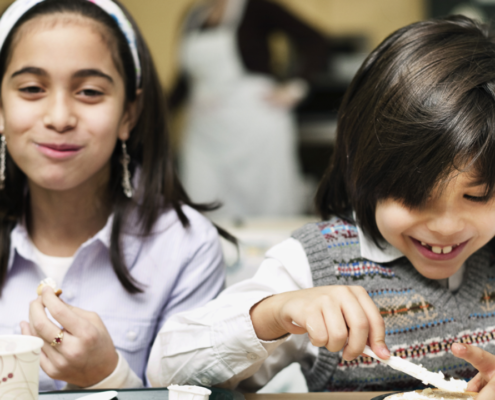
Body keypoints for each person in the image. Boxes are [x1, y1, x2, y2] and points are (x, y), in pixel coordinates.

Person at [147, 15, 495, 396]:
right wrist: (274, 313)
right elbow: (165, 373)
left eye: (477, 196)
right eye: (414, 197)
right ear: (362, 167)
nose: (446, 227)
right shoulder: (318, 265)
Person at [0, 0, 230, 391]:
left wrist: (107, 376)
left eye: (89, 91)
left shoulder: (187, 247)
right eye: (32, 89)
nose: (59, 117)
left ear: (129, 113)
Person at [172, 0, 328, 218]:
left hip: (254, 125)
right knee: (202, 204)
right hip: (205, 132)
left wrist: (296, 88)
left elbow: (315, 40)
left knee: (266, 208)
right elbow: (184, 80)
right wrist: (158, 113)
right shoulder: (193, 16)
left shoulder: (258, 7)